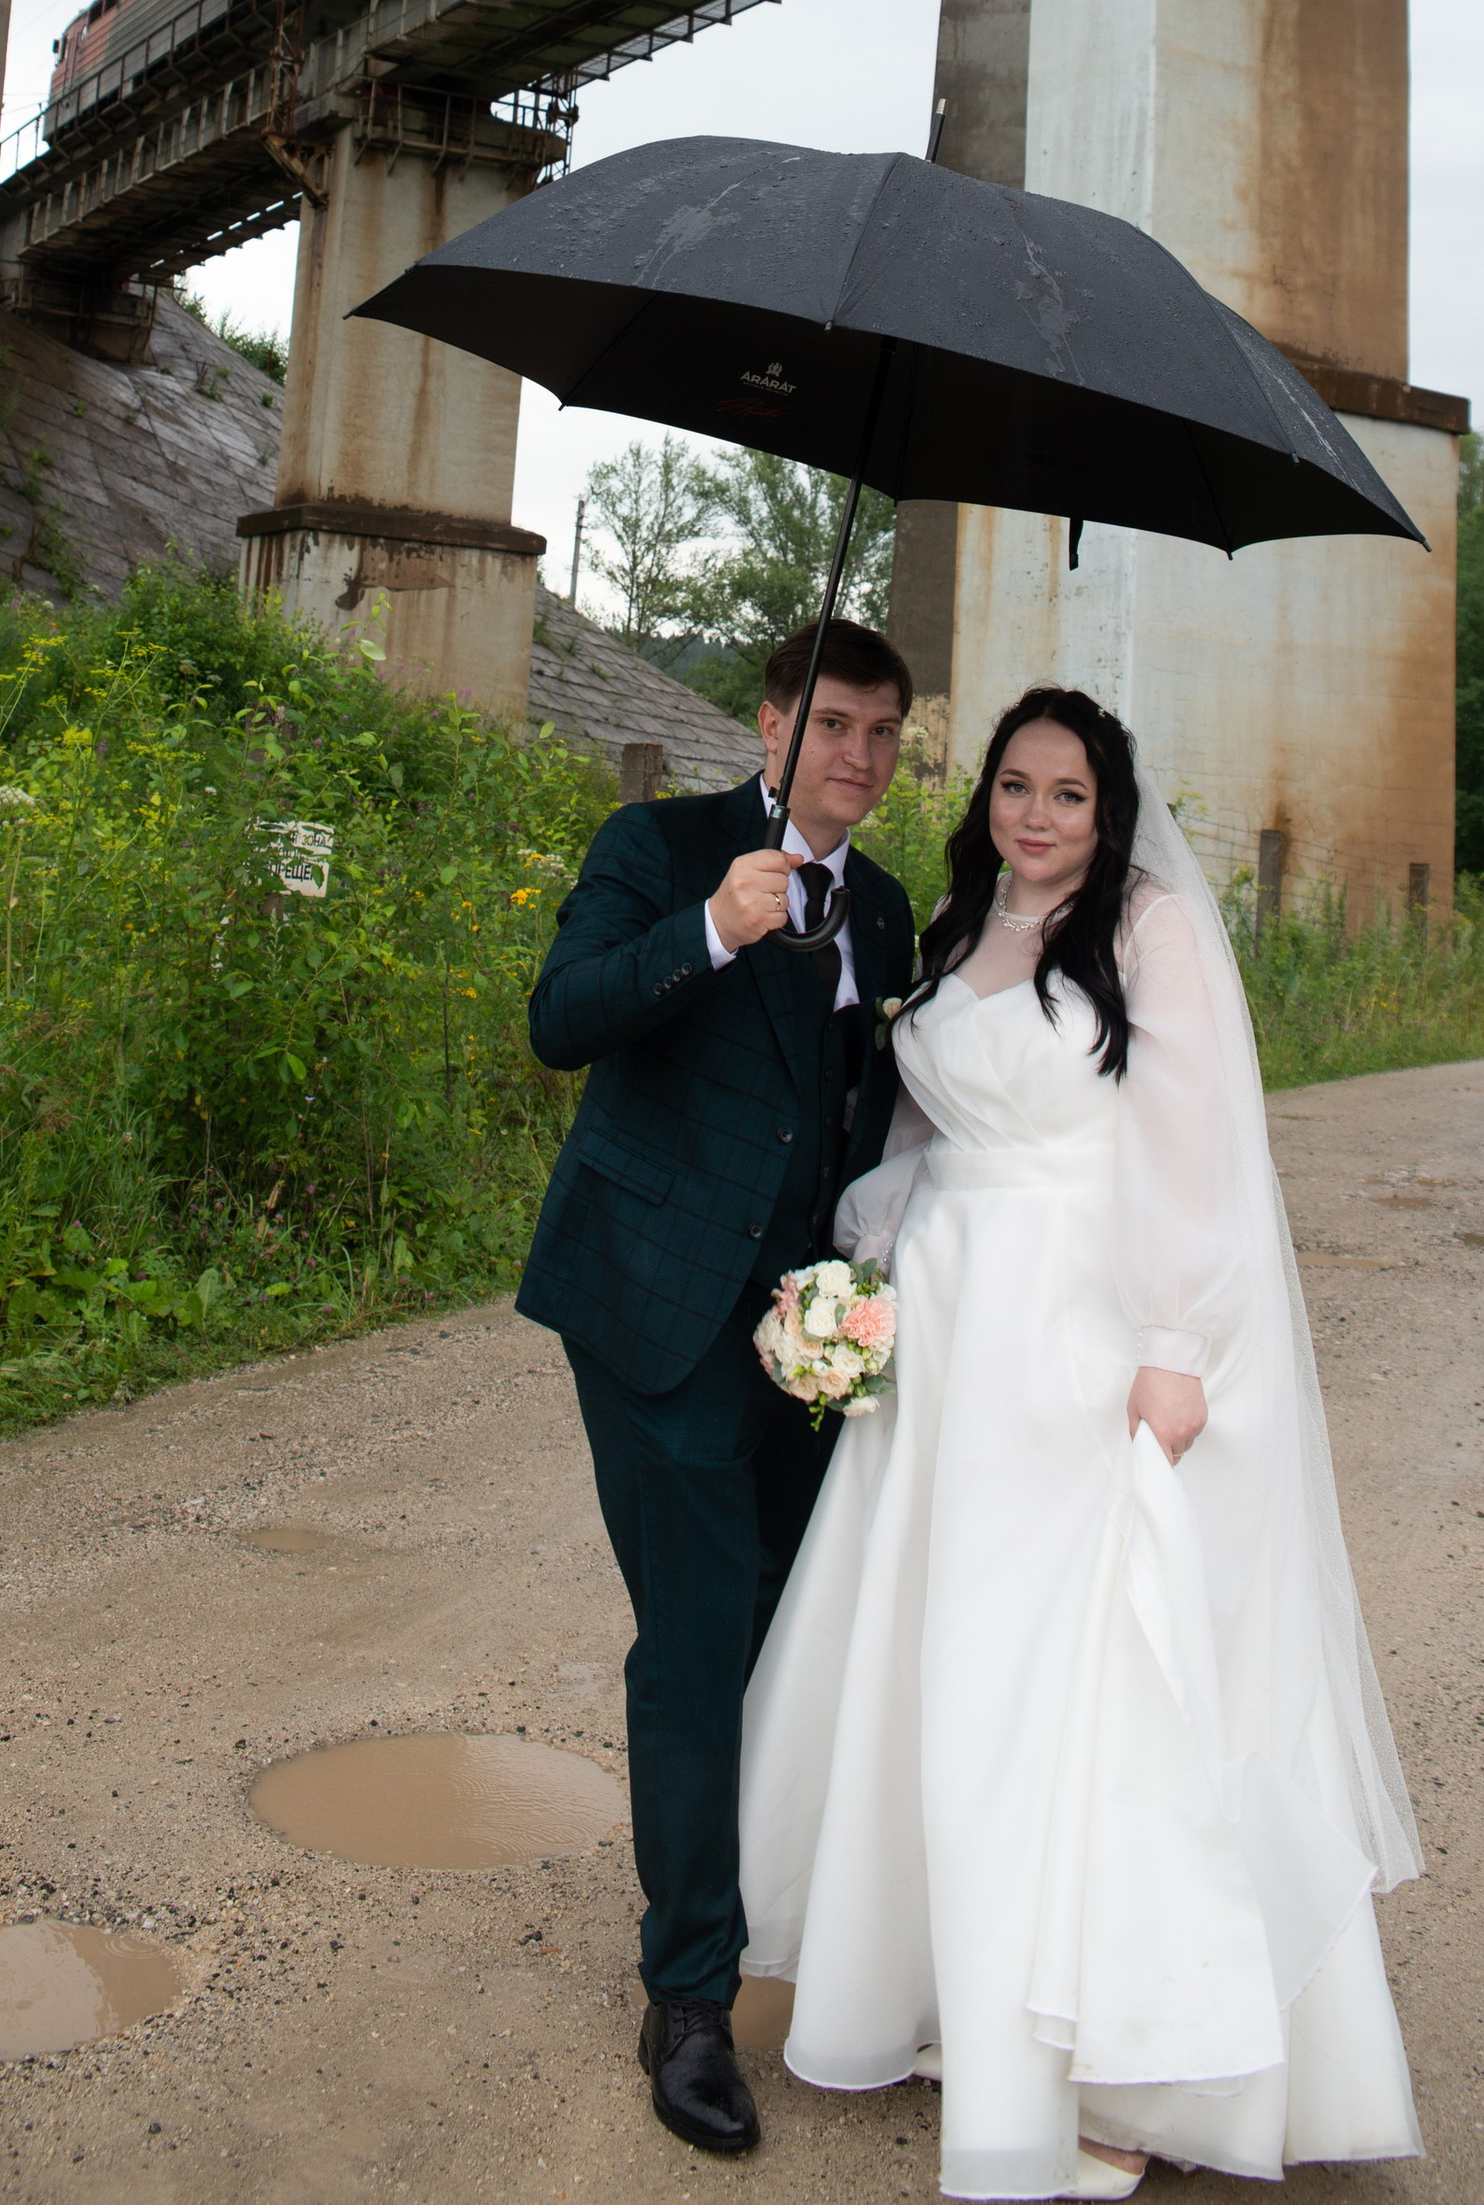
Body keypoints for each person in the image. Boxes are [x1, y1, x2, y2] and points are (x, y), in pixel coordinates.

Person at [738, 685, 1424, 2200]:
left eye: (1067, 794)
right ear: (984, 796)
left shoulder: (1150, 934)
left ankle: (1131, 2068)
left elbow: (1196, 1151)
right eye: (1014, 786)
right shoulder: (953, 928)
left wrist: (1174, 1344)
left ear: (1108, 813)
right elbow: (926, 1137)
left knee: (1089, 1679)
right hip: (950, 1340)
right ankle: (967, 1996)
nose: (1036, 816)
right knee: (951, 1666)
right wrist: (861, 1273)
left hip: (1081, 1337)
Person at [517, 619, 920, 2158]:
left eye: (884, 733)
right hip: (652, 1310)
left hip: (805, 1337)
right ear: (771, 725)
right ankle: (687, 1998)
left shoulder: (885, 909)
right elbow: (561, 1020)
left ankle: (751, 1896)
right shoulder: (662, 848)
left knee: (776, 1631)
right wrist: (708, 930)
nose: (859, 757)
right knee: (692, 1650)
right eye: (834, 726)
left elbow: (866, 1118)